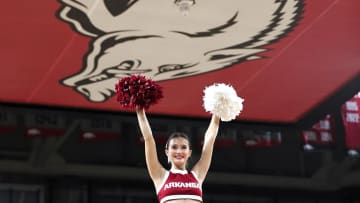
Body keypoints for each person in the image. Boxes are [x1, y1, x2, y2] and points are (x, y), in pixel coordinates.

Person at [136, 108, 220, 203]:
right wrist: (140, 112)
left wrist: (217, 110)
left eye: (184, 147)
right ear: (167, 152)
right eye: (174, 147)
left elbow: (210, 139)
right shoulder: (160, 175)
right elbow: (148, 139)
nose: (179, 151)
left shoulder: (197, 175)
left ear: (189, 153)